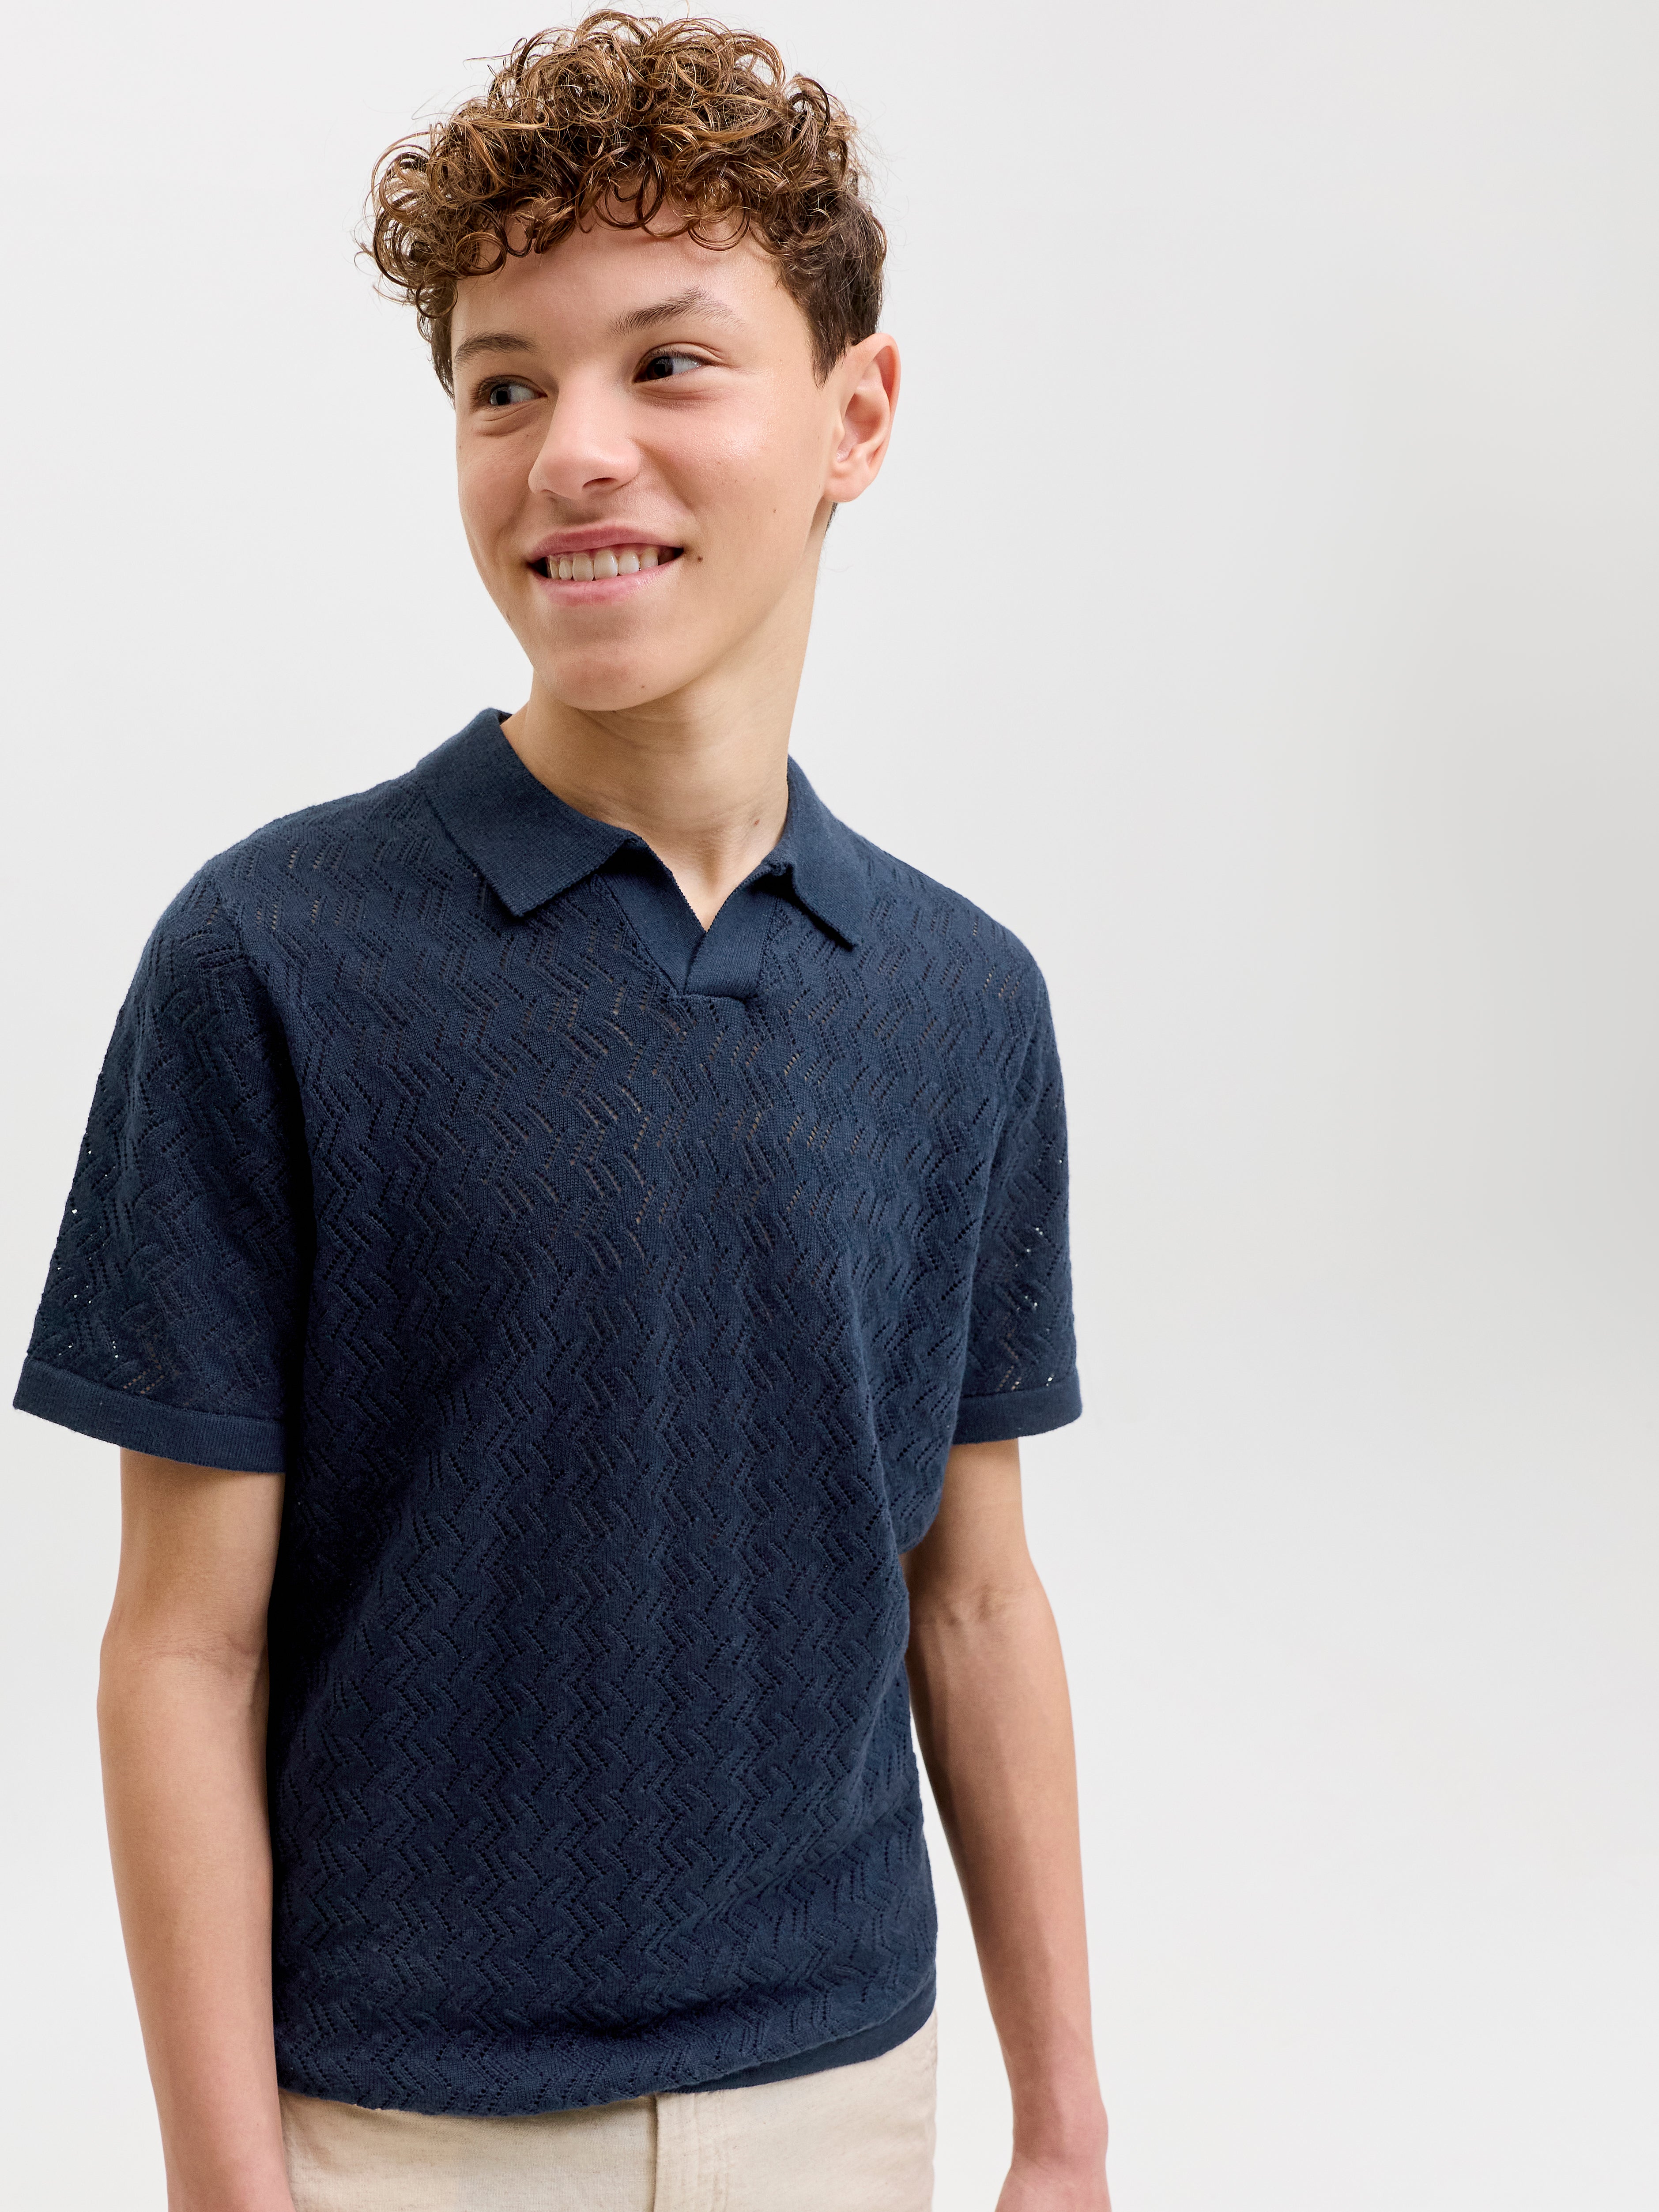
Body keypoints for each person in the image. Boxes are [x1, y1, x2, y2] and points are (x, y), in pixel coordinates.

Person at [14, 14, 1112, 2209]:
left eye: (668, 363)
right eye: (503, 384)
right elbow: (180, 1644)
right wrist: (228, 2183)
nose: (573, 453)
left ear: (856, 415)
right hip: (392, 2123)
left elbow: (976, 1597)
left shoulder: (962, 1002)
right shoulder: (270, 957)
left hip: (840, 2098)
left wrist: (1063, 2125)